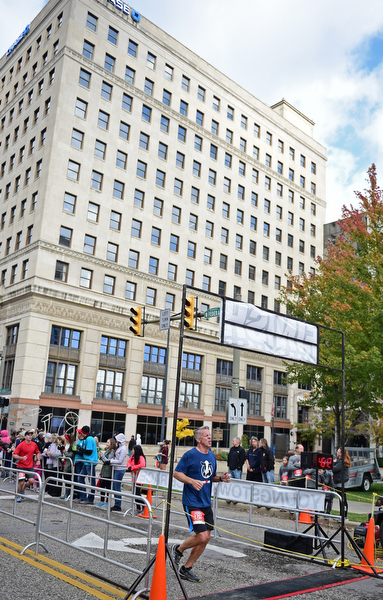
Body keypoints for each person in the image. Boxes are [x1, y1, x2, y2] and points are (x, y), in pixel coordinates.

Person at [172, 426, 231, 583]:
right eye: (206, 436)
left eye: (209, 435)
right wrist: (192, 481)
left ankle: (186, 569)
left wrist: (221, 478)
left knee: (206, 538)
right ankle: (179, 549)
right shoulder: (190, 455)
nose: (209, 438)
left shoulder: (212, 456)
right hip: (192, 502)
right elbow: (176, 473)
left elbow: (210, 477)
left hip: (206, 502)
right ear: (198, 439)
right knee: (202, 536)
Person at [12, 430, 41, 502]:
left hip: (30, 466)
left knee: (31, 481)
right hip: (21, 466)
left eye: (31, 435)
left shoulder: (34, 444)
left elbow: (37, 452)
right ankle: (18, 495)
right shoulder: (21, 445)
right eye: (28, 435)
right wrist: (21, 458)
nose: (30, 436)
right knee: (21, 482)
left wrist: (38, 460)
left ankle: (23, 488)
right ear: (25, 437)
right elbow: (14, 455)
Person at [74, 426, 98, 505]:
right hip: (87, 461)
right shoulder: (88, 438)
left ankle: (90, 499)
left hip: (90, 462)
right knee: (80, 477)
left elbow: (89, 451)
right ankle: (83, 496)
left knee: (91, 481)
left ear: (83, 433)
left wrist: (80, 449)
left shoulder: (89, 439)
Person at [97, 437, 118, 508]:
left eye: (108, 442)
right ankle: (101, 501)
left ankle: (107, 502)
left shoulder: (112, 451)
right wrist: (101, 456)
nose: (106, 443)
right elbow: (104, 460)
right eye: (106, 442)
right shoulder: (107, 451)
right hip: (104, 471)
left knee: (107, 487)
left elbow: (108, 461)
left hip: (108, 472)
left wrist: (102, 456)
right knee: (102, 487)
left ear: (111, 444)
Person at [109, 433, 127, 512]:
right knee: (114, 487)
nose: (116, 440)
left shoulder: (123, 449)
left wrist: (110, 461)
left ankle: (118, 505)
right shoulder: (120, 448)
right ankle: (117, 503)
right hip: (116, 468)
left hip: (120, 469)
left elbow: (120, 461)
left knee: (117, 487)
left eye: (117, 439)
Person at [127, 444, 146, 513]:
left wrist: (133, 467)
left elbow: (142, 465)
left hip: (139, 478)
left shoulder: (141, 457)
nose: (132, 450)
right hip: (134, 478)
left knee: (137, 493)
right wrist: (129, 466)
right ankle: (138, 508)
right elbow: (128, 462)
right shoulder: (132, 456)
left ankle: (144, 505)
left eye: (133, 449)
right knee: (135, 493)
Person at [332, 447, 351, 519]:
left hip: (341, 482)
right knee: (342, 499)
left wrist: (333, 463)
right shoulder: (340, 461)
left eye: (338, 451)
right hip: (341, 481)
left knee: (342, 499)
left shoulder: (341, 461)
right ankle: (342, 514)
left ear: (341, 453)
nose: (337, 452)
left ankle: (344, 515)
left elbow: (335, 469)